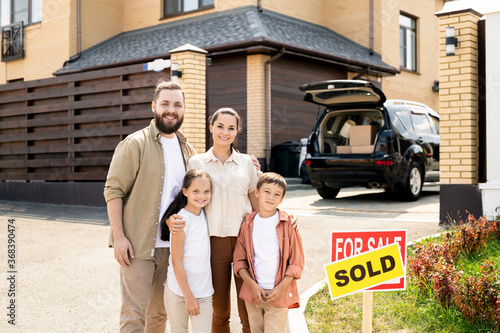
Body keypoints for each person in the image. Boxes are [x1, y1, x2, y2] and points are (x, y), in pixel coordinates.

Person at [103, 80, 195, 333]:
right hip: (138, 247)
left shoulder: (188, 150)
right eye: (165, 103)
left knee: (160, 314)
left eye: (177, 104)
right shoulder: (134, 144)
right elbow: (113, 190)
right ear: (154, 106)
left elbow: (204, 189)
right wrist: (119, 238)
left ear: (184, 109)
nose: (171, 109)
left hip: (173, 248)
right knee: (134, 317)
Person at [184, 107, 260, 333]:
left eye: (231, 128)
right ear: (211, 128)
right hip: (212, 243)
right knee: (219, 311)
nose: (224, 132)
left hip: (244, 243)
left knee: (249, 307)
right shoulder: (196, 162)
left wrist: (281, 222)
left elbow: (256, 202)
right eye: (220, 126)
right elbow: (187, 203)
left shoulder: (247, 163)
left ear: (237, 132)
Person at [233, 172, 305, 333]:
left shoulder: (288, 225)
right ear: (257, 193)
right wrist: (251, 285)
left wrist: (281, 288)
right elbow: (239, 260)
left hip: (278, 293)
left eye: (276, 194)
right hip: (253, 294)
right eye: (267, 191)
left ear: (281, 199)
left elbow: (297, 262)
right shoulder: (247, 224)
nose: (271, 197)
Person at [160, 169, 214, 333]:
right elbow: (177, 262)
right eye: (195, 191)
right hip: (179, 291)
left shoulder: (206, 214)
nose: (201, 196)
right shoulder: (180, 220)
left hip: (203, 290)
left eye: (206, 191)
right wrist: (188, 297)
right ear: (185, 192)